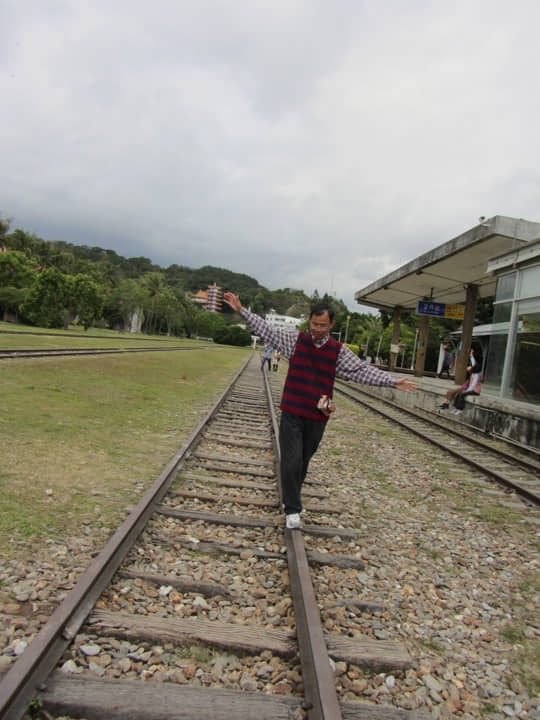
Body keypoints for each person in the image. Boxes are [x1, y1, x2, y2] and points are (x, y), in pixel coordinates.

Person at [223, 292, 418, 529]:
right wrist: (242, 311)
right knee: (291, 460)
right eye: (314, 324)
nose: (317, 329)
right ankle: (293, 509)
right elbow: (267, 330)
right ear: (309, 321)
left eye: (322, 325)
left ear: (331, 325)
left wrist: (392, 382)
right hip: (293, 411)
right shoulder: (295, 341)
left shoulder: (338, 351)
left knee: (303, 460)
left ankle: (292, 498)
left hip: (317, 416)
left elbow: (360, 371)